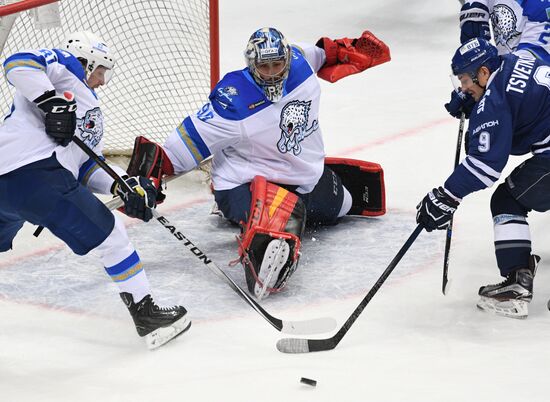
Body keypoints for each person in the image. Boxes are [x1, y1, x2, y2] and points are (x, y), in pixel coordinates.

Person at [127, 27, 390, 300]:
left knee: (342, 205)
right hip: (244, 183)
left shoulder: (300, 62)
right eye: (265, 66)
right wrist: (145, 179)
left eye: (278, 64)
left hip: (301, 176)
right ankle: (256, 246)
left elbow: (323, 55)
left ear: (287, 58)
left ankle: (269, 215)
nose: (273, 72)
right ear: (252, 65)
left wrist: (344, 50)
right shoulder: (233, 102)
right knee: (281, 225)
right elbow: (181, 148)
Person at [0, 31, 190, 349]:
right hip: (37, 174)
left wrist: (122, 183)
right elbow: (17, 63)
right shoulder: (66, 68)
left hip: (13, 182)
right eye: (101, 71)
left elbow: (88, 166)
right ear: (86, 62)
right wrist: (53, 104)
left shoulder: (90, 110)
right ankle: (149, 318)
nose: (102, 81)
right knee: (112, 234)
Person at [416, 37, 550, 318]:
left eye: (465, 80)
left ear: (484, 73)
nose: (463, 87)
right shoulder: (518, 58)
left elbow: (485, 165)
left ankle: (517, 283)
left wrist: (446, 196)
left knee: (507, 200)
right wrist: (475, 105)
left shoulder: (494, 100)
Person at [445, 0, 550, 119]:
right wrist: (472, 82)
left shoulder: (542, 5)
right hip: (504, 80)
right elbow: (473, 36)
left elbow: (530, 62)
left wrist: (487, 85)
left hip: (537, 92)